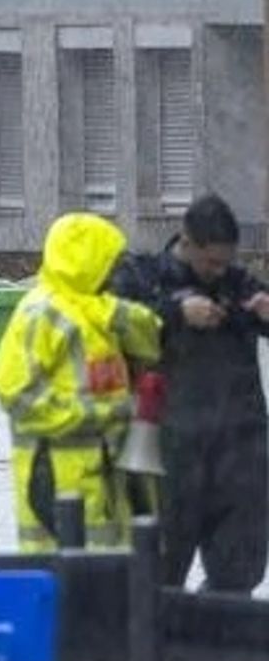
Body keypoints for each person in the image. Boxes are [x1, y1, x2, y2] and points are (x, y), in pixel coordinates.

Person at [0, 210, 181, 554]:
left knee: (113, 575)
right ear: (86, 262)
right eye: (108, 262)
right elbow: (16, 394)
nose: (114, 271)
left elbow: (152, 337)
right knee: (70, 581)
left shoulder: (100, 310)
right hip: (56, 480)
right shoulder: (40, 314)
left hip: (106, 477)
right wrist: (98, 415)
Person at [108, 192, 269, 590]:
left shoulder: (237, 284)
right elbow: (113, 322)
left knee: (240, 567)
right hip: (167, 450)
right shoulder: (142, 276)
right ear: (187, 241)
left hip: (240, 451)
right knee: (161, 567)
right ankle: (160, 641)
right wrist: (174, 313)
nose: (219, 270)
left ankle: (221, 637)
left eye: (226, 261)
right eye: (211, 261)